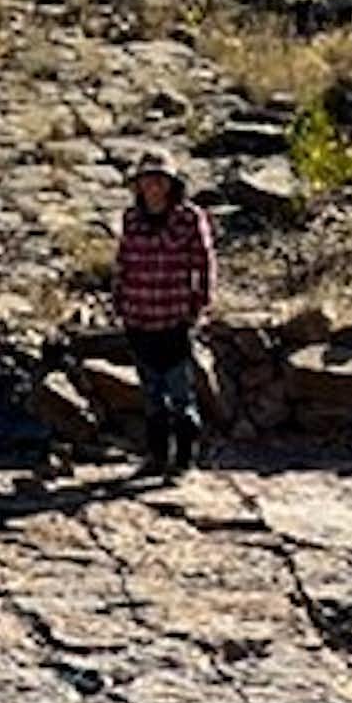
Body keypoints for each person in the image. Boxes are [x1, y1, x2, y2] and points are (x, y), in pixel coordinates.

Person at [113, 147, 215, 473]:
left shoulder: (189, 218)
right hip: (139, 317)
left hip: (174, 318)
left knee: (181, 396)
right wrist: (120, 301)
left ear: (171, 184)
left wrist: (199, 303)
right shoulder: (132, 218)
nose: (153, 187)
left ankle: (184, 460)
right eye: (147, 180)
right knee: (152, 397)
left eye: (160, 180)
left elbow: (204, 260)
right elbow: (123, 262)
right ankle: (157, 458)